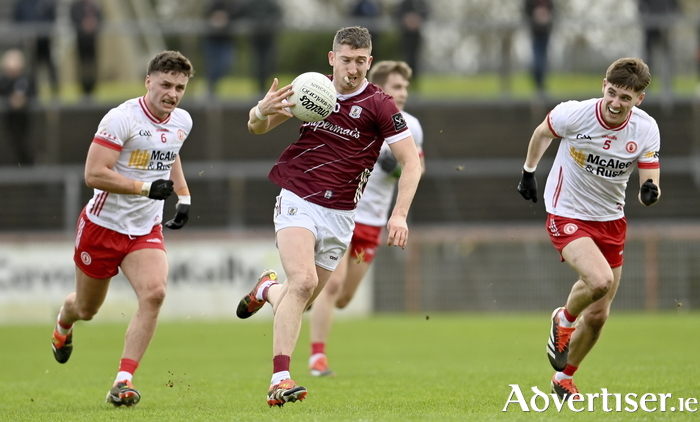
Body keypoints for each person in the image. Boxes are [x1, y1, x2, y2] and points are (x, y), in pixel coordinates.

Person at [236, 26, 422, 407]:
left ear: (369, 62)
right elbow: (256, 128)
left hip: (341, 214)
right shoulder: (310, 87)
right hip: (297, 196)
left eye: (360, 61)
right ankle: (280, 378)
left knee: (299, 298)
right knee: (302, 282)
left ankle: (266, 291)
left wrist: (399, 215)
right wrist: (259, 110)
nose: (352, 69)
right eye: (346, 60)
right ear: (332, 58)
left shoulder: (380, 105)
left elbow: (411, 163)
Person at [50, 50, 195, 407]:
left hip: (145, 229)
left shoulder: (183, 120)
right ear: (148, 81)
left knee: (155, 294)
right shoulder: (121, 119)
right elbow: (94, 174)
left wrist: (184, 194)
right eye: (165, 85)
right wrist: (144, 187)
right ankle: (63, 324)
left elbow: (170, 150)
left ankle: (123, 381)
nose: (172, 94)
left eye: (179, 87)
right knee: (86, 309)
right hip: (103, 227)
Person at [517, 57, 661, 400]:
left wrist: (650, 190)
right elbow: (541, 133)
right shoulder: (574, 114)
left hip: (610, 219)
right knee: (599, 281)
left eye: (625, 98)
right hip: (566, 210)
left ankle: (563, 378)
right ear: (603, 86)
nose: (615, 103)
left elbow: (650, 177)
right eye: (612, 93)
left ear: (639, 99)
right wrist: (528, 172)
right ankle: (564, 320)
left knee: (598, 315)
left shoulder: (645, 128)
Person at [307, 60, 425, 377]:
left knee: (343, 298)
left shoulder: (411, 127)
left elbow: (417, 168)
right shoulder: (360, 113)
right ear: (381, 88)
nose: (403, 93)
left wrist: (395, 166)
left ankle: (292, 293)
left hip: (373, 223)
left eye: (405, 88)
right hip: (342, 213)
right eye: (397, 87)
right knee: (331, 287)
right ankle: (317, 358)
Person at [12, 0, 59, 98]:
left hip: (45, 42)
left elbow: (52, 18)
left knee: (50, 70)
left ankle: (55, 97)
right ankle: (33, 96)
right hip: (28, 44)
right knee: (31, 71)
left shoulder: (46, 2)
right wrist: (26, 31)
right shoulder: (21, 3)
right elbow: (16, 19)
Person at [0, 49, 37, 166]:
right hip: (6, 121)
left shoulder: (27, 79)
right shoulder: (3, 81)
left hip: (25, 121)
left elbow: (33, 93)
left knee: (24, 145)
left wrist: (23, 100)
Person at [202, 0, 243, 96]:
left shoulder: (234, 5)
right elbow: (207, 15)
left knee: (226, 64)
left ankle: (210, 89)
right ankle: (210, 91)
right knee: (212, 67)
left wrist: (226, 18)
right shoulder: (214, 3)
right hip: (212, 40)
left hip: (226, 42)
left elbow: (239, 15)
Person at [242, 0, 282, 94]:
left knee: (269, 64)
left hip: (269, 39)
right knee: (257, 65)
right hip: (255, 39)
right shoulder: (250, 3)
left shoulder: (271, 3)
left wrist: (267, 23)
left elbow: (278, 15)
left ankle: (268, 89)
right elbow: (244, 15)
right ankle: (259, 90)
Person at [70, 0, 103, 99]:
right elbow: (73, 18)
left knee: (92, 66)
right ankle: (83, 91)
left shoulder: (94, 5)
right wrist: (83, 25)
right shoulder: (75, 6)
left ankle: (92, 90)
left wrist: (94, 24)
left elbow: (101, 17)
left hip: (92, 41)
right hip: (81, 41)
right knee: (82, 67)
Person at [394, 0, 429, 85]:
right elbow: (397, 15)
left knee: (415, 59)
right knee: (405, 58)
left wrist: (417, 20)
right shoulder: (404, 3)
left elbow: (426, 14)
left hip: (416, 36)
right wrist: (406, 20)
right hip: (405, 35)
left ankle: (414, 82)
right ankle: (403, 80)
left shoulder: (421, 3)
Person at [524, 0, 554, 96]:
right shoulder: (530, 3)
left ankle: (540, 86)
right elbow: (527, 13)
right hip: (536, 33)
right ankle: (539, 86)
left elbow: (552, 11)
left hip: (545, 33)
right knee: (538, 62)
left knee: (542, 61)